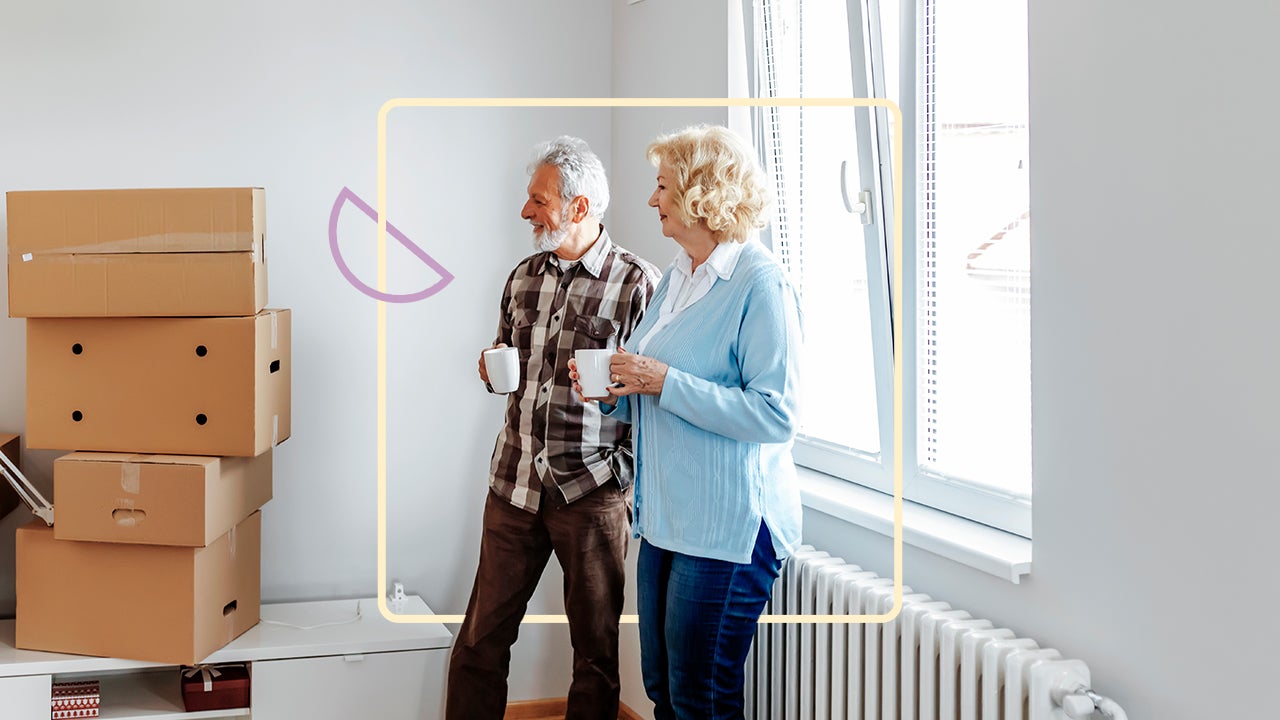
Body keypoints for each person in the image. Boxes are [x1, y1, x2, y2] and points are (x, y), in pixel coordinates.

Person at [572, 124, 804, 719]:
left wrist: (661, 381)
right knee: (663, 689)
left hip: (728, 526)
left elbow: (775, 416)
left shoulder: (759, 283)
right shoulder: (678, 274)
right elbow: (654, 389)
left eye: (662, 186)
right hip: (669, 518)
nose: (652, 200)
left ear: (702, 194)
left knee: (701, 697)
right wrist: (613, 393)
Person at [446, 136, 660, 720]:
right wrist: (492, 369)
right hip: (513, 485)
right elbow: (508, 363)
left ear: (580, 207)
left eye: (538, 200)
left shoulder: (639, 284)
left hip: (591, 493)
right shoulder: (522, 278)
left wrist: (626, 478)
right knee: (479, 642)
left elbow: (654, 394)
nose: (525, 212)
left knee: (594, 654)